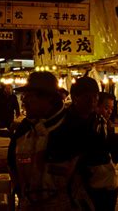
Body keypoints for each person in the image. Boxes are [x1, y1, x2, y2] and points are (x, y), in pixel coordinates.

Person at [8, 72, 94, 211]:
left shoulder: (75, 129)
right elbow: (12, 167)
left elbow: (94, 179)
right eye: (24, 96)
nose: (23, 101)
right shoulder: (23, 130)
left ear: (48, 98)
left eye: (29, 96)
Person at [70, 77, 118, 211]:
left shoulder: (97, 121)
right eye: (88, 97)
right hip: (83, 191)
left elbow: (108, 140)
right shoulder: (69, 123)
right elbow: (95, 146)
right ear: (75, 98)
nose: (92, 101)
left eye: (95, 97)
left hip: (103, 188)